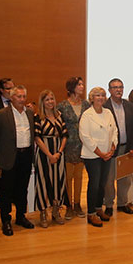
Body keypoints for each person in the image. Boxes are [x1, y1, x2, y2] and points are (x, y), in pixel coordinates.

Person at [0, 85, 35, 236]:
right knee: (5, 191)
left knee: (22, 188)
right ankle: (6, 220)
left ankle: (20, 216)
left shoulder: (29, 113)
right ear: (11, 98)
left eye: (23, 97)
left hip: (25, 155)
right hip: (7, 158)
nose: (22, 100)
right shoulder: (0, 115)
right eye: (18, 97)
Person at [79, 87, 117, 227]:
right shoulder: (87, 115)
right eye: (97, 95)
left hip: (107, 154)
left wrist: (112, 148)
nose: (100, 98)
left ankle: (98, 208)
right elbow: (85, 137)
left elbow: (115, 131)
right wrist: (100, 153)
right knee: (94, 184)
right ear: (92, 98)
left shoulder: (108, 113)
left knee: (102, 183)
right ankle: (90, 214)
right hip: (92, 155)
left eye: (102, 95)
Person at [102, 78, 133, 216]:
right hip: (111, 149)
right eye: (115, 87)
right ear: (109, 90)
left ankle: (122, 203)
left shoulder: (129, 105)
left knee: (125, 179)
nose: (118, 89)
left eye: (120, 87)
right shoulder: (105, 106)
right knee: (109, 180)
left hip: (127, 149)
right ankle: (109, 205)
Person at [56, 77, 90, 220]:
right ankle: (68, 205)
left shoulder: (86, 105)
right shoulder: (62, 106)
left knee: (79, 176)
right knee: (68, 177)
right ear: (71, 87)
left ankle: (77, 203)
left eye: (82, 84)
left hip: (83, 146)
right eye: (79, 84)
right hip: (67, 146)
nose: (82, 87)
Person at [33, 89, 68, 227]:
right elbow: (37, 138)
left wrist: (58, 153)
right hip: (44, 155)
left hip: (59, 154)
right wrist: (49, 155)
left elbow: (65, 135)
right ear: (42, 102)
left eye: (52, 99)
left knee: (58, 181)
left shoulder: (59, 115)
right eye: (47, 99)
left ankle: (55, 211)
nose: (50, 102)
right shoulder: (37, 117)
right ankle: (43, 212)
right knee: (43, 182)